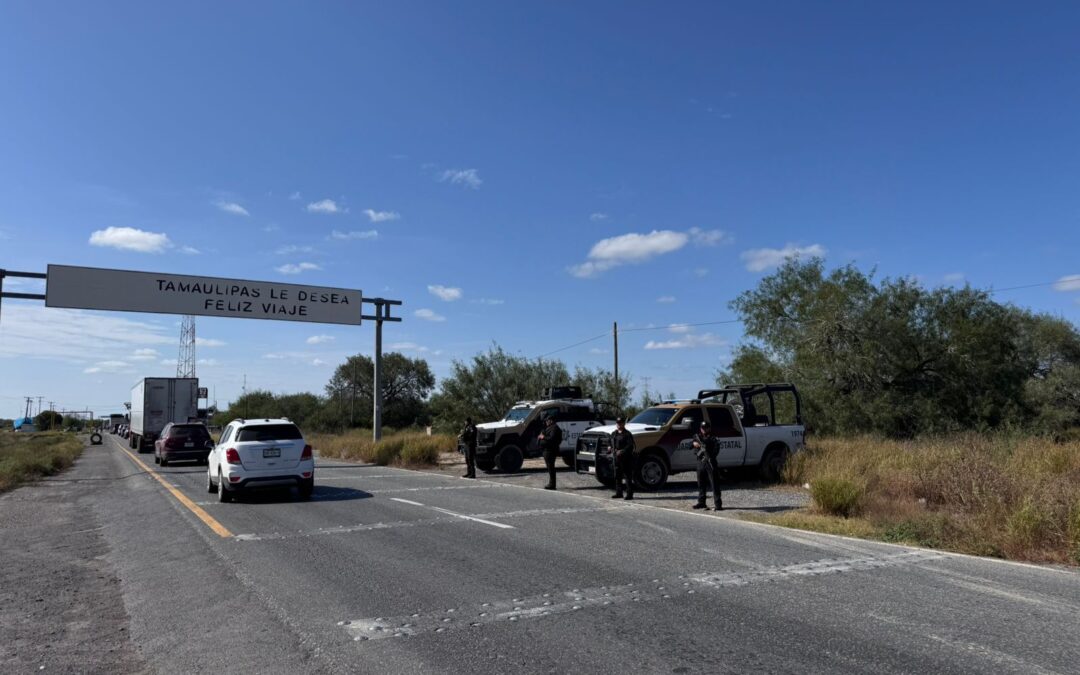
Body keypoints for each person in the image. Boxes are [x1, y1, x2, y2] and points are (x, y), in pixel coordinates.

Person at [692, 421, 723, 511]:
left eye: (706, 428)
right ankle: (701, 502)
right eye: (702, 428)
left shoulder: (713, 438)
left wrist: (710, 456)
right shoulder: (698, 437)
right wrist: (695, 444)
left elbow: (716, 449)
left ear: (709, 428)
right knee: (701, 483)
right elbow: (691, 444)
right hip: (700, 462)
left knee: (714, 484)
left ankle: (718, 504)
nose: (704, 429)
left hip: (710, 463)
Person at [610, 416, 636, 500]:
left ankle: (629, 494)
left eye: (620, 423)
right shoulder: (614, 433)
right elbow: (610, 442)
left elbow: (630, 446)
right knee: (617, 476)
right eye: (617, 423)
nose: (619, 424)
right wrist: (610, 447)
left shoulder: (627, 434)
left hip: (626, 459)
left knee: (627, 477)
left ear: (623, 424)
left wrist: (622, 451)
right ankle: (619, 493)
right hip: (616, 458)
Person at [537, 415, 563, 490]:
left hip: (551, 450)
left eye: (547, 421)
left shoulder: (554, 428)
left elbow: (552, 438)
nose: (546, 422)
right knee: (549, 467)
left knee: (551, 467)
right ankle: (551, 483)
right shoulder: (549, 427)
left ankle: (552, 484)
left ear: (551, 420)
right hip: (546, 450)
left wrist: (543, 437)